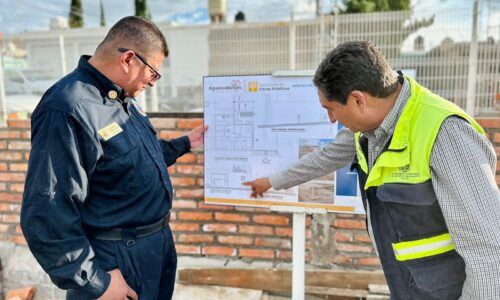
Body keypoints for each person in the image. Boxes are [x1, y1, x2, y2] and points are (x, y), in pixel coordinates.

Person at [244, 41, 500, 299]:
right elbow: (323, 158)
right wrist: (272, 181)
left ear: (358, 100)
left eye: (331, 109)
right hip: (407, 284)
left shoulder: (445, 134)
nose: (331, 119)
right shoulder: (368, 130)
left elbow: (490, 249)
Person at [20, 16, 207, 300]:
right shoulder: (68, 107)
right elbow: (47, 211)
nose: (153, 83)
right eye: (154, 73)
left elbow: (134, 161)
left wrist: (185, 144)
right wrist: (95, 280)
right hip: (116, 260)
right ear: (129, 59)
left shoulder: (121, 99)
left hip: (154, 250)